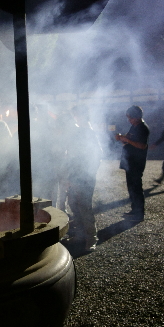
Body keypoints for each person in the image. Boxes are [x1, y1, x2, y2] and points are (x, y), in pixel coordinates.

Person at [65, 105, 102, 252]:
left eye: (76, 115)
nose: (75, 118)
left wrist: (88, 175)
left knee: (85, 208)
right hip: (74, 176)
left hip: (84, 177)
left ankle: (92, 238)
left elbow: (97, 156)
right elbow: (71, 157)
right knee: (74, 205)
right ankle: (80, 235)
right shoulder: (77, 131)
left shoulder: (89, 132)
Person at [115, 105, 150, 221]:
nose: (129, 120)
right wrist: (122, 138)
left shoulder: (143, 128)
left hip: (136, 162)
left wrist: (127, 140)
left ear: (137, 117)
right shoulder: (134, 127)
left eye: (130, 118)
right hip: (130, 162)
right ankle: (134, 210)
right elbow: (130, 140)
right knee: (131, 188)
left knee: (136, 188)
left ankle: (139, 213)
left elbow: (142, 145)